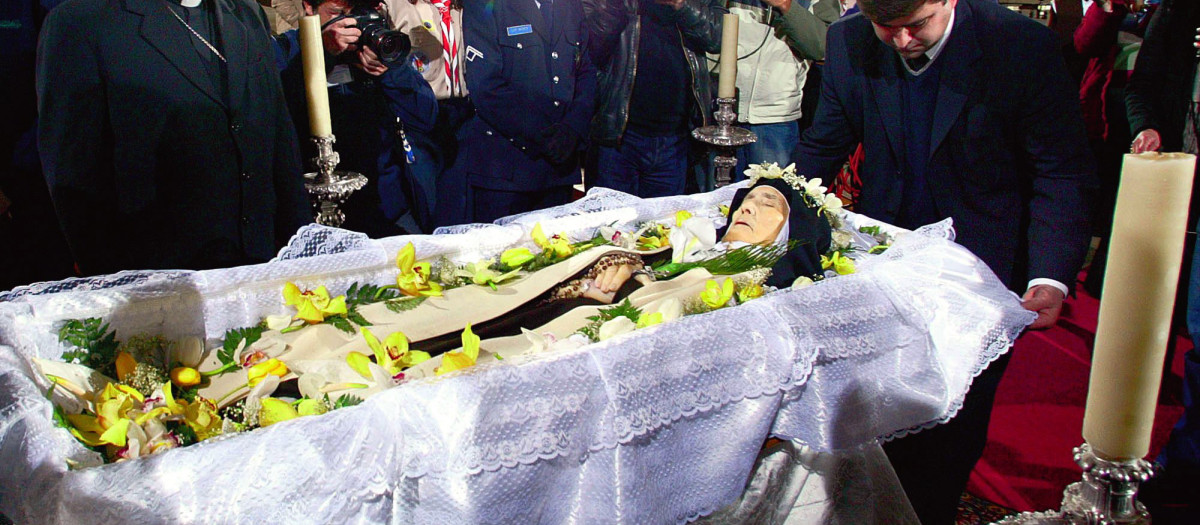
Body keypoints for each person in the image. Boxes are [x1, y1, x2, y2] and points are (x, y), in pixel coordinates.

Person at [794, 0, 1095, 522]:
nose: (903, 41)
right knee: (876, 420)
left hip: (984, 270)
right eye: (887, 27)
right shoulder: (850, 40)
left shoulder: (1019, 45)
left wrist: (1050, 274)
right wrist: (772, 202)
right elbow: (824, 145)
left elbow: (1061, 171)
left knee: (952, 428)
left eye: (917, 25)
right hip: (888, 269)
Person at [37, 0, 312, 276]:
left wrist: (301, 253)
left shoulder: (245, 11)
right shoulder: (81, 21)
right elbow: (73, 176)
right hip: (156, 276)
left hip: (259, 266)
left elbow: (279, 136)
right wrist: (113, 286)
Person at [276, 0, 439, 238]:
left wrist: (392, 70)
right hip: (315, 211)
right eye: (338, 13)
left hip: (384, 204)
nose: (350, 24)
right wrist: (322, 53)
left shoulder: (376, 46)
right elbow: (275, 114)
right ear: (309, 7)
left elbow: (426, 117)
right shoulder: (285, 49)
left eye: (358, 13)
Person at [1126, 0, 1200, 519]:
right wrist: (1149, 126)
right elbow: (1142, 87)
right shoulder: (1181, 13)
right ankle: (1187, 465)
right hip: (1183, 184)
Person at [435, 0, 597, 226]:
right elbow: (486, 85)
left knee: (560, 255)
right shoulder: (485, 5)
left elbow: (586, 71)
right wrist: (545, 134)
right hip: (505, 171)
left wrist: (573, 128)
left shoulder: (569, 5)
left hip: (559, 166)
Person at [583, 0, 725, 198]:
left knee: (663, 225)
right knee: (611, 224)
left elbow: (718, 37)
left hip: (675, 138)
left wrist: (681, 4)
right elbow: (592, 41)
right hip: (618, 136)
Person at [385, 0, 473, 232]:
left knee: (460, 204)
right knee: (429, 204)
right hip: (421, 114)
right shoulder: (397, 5)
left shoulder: (461, 6)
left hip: (463, 113)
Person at [725, 0, 839, 177]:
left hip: (774, 117)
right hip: (715, 111)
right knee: (709, 199)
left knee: (769, 197)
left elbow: (823, 47)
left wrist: (786, 5)